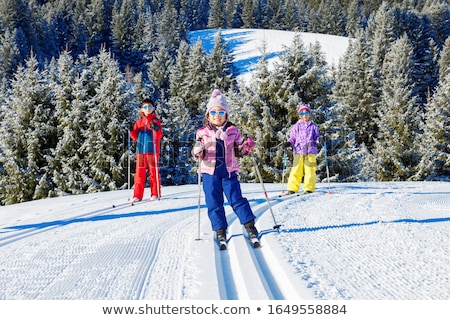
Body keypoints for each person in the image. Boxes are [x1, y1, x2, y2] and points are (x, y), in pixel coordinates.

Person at [192, 89, 258, 247]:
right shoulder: (202, 132)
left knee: (236, 198)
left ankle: (249, 225)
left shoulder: (233, 131)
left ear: (226, 115)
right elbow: (196, 148)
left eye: (221, 112)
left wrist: (246, 147)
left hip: (228, 171)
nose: (217, 115)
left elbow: (239, 150)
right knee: (213, 201)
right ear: (208, 115)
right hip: (209, 172)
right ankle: (219, 229)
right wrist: (197, 151)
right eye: (213, 112)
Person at [284, 103, 321, 195]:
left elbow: (317, 136)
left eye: (306, 113)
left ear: (309, 114)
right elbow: (292, 138)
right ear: (299, 115)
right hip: (298, 150)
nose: (304, 116)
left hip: (310, 151)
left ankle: (309, 188)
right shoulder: (296, 126)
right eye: (302, 114)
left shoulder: (313, 126)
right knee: (296, 169)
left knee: (310, 170)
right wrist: (289, 143)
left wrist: (320, 139)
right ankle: (292, 188)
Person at [130, 98, 163, 203]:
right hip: (140, 152)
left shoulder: (156, 121)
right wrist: (131, 130)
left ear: (153, 108)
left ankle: (155, 193)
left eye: (149, 107)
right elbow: (135, 137)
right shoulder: (139, 122)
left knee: (154, 173)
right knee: (139, 174)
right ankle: (137, 196)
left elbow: (159, 136)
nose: (147, 109)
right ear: (141, 110)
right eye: (145, 107)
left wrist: (156, 129)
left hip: (152, 151)